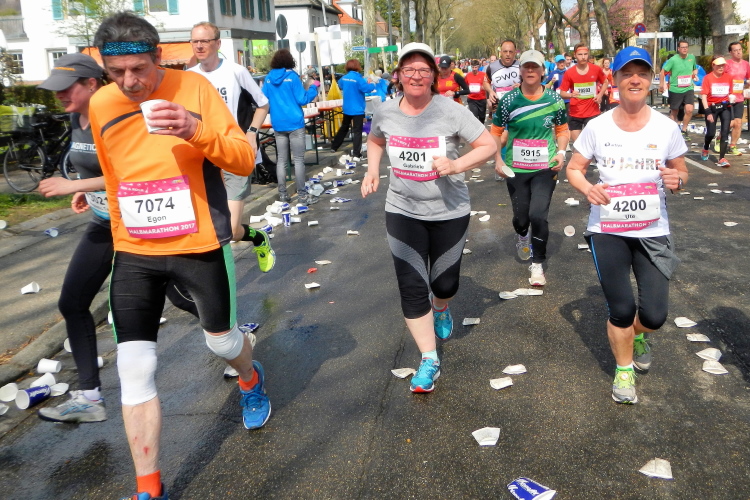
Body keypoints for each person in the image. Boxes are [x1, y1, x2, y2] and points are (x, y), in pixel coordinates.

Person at [89, 13, 270, 499]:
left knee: (222, 343)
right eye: (116, 72)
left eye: (139, 70)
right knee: (134, 368)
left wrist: (194, 129)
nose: (130, 82)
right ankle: (149, 487)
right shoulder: (102, 103)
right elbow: (114, 174)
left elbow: (243, 159)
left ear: (159, 57)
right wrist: (117, 231)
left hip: (197, 245)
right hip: (135, 251)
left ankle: (250, 378)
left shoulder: (194, 88)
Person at [35, 54, 201, 424]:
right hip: (103, 222)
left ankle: (229, 335)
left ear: (92, 84)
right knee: (72, 302)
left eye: (67, 88)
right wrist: (86, 189)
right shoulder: (78, 118)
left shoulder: (119, 113)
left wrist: (72, 185)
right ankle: (90, 396)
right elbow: (100, 167)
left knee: (181, 297)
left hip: (137, 226)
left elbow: (134, 170)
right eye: (56, 89)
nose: (59, 95)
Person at [361, 42, 496, 394]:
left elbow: (488, 145)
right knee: (411, 285)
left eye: (423, 70)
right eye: (409, 70)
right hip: (402, 210)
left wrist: (456, 164)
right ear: (399, 75)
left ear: (434, 76)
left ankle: (441, 306)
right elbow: (375, 140)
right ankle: (429, 359)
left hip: (449, 210)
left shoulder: (450, 110)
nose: (416, 76)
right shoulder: (386, 111)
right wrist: (372, 170)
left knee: (444, 284)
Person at [567, 46, 688, 404]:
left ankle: (638, 334)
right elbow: (574, 168)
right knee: (621, 309)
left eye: (642, 73)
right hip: (608, 230)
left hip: (652, 231)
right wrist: (588, 188)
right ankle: (623, 370)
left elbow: (681, 171)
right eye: (627, 73)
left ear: (651, 80)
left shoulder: (666, 127)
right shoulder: (597, 126)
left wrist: (678, 180)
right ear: (615, 79)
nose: (635, 80)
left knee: (655, 315)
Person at [187, 21, 275, 268]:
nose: (199, 46)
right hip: (203, 157)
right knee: (212, 226)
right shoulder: (189, 76)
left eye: (204, 41)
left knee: (231, 229)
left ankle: (257, 236)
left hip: (233, 152)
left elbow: (263, 104)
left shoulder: (236, 71)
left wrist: (251, 133)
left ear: (217, 43)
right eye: (195, 41)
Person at [492, 50, 569, 286]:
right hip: (516, 168)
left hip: (545, 167)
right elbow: (495, 131)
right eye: (526, 66)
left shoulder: (554, 99)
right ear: (521, 70)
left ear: (543, 70)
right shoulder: (509, 100)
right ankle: (523, 234)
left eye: (535, 67)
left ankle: (537, 264)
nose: (531, 71)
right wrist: (497, 159)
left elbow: (562, 129)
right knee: (521, 219)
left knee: (538, 215)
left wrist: (561, 153)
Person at [262, 48, 319, 204]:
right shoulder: (292, 77)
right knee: (299, 160)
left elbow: (263, 99)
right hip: (295, 122)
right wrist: (313, 87)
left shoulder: (268, 78)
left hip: (278, 123)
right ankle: (302, 195)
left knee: (281, 160)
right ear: (290, 61)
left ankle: (282, 194)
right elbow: (302, 99)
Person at [559, 44, 608, 143]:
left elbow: (605, 82)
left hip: (592, 112)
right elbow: (562, 93)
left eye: (585, 54)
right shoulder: (569, 73)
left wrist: (600, 95)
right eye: (580, 54)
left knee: (592, 144)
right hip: (575, 113)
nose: (583, 57)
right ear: (575, 55)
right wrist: (571, 95)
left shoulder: (596, 69)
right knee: (578, 145)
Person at [331, 59, 375, 160]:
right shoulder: (359, 79)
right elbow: (367, 89)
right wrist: (372, 84)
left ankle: (334, 146)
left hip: (347, 107)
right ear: (357, 66)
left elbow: (340, 85)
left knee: (344, 127)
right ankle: (356, 153)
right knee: (357, 131)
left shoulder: (344, 78)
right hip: (358, 108)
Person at [700, 56, 734, 168]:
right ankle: (706, 148)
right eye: (719, 65)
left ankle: (722, 158)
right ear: (713, 65)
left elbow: (731, 93)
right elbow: (704, 96)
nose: (721, 67)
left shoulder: (728, 77)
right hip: (712, 107)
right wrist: (707, 112)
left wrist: (732, 98)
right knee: (711, 132)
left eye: (723, 65)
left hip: (725, 107)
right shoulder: (708, 78)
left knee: (725, 132)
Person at [660, 40, 698, 139]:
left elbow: (694, 68)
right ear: (678, 49)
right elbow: (663, 72)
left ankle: (684, 130)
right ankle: (672, 131)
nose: (685, 49)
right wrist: (661, 84)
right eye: (682, 47)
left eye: (686, 47)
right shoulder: (673, 60)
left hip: (688, 87)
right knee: (674, 111)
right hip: (675, 89)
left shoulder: (692, 58)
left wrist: (694, 74)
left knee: (689, 109)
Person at [725, 41, 750, 155]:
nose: (738, 52)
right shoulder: (727, 64)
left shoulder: (746, 64)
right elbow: (720, 78)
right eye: (735, 50)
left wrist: (747, 84)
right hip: (727, 98)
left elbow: (748, 78)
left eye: (740, 50)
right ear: (730, 52)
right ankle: (720, 138)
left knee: (738, 123)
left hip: (739, 98)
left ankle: (733, 145)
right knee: (730, 123)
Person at [464, 59, 487, 123]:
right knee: (474, 116)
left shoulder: (483, 75)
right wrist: (468, 88)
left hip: (481, 99)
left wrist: (483, 87)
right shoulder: (468, 75)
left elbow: (488, 85)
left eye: (475, 67)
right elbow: (465, 85)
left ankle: (482, 127)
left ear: (478, 67)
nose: (474, 69)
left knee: (482, 117)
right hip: (472, 99)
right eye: (473, 67)